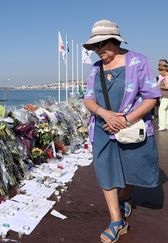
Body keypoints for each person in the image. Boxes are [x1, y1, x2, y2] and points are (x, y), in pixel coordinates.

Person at [83, 20, 160, 243]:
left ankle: (126, 196)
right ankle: (117, 221)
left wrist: (125, 120)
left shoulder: (138, 61)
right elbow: (88, 98)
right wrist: (105, 114)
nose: (97, 50)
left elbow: (151, 97)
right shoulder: (96, 68)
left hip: (131, 126)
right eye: (94, 47)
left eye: (101, 44)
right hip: (102, 127)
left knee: (130, 168)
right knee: (105, 171)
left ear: (115, 41)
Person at [157, 60, 168, 130]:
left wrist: (159, 87)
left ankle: (162, 126)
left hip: (166, 96)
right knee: (166, 111)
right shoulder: (164, 77)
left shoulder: (167, 76)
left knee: (161, 110)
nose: (160, 72)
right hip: (164, 96)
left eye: (161, 70)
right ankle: (166, 124)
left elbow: (167, 87)